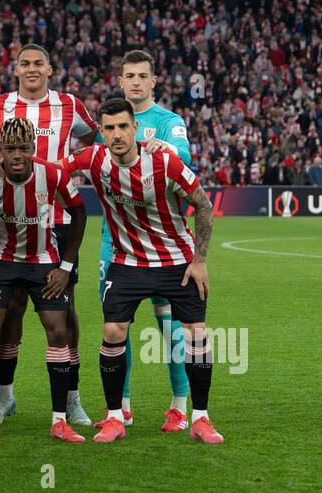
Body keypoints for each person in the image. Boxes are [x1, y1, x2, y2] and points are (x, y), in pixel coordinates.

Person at [64, 97, 223, 445]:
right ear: (101, 132)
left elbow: (202, 204)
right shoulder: (94, 158)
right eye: (109, 128)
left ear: (136, 128)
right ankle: (115, 417)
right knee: (113, 330)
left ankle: (200, 418)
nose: (117, 134)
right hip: (128, 262)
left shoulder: (164, 162)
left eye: (123, 126)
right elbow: (54, 169)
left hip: (177, 261)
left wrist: (199, 261)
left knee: (195, 334)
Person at [0, 117, 88, 443]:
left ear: (33, 148)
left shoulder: (52, 174)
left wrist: (66, 267)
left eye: (23, 148)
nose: (17, 155)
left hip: (42, 260)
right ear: (1, 150)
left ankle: (59, 421)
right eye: (10, 149)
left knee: (59, 329)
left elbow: (79, 214)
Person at [0, 44, 96, 425]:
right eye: (24, 64)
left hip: (56, 218)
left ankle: (72, 398)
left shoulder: (70, 105)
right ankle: (4, 395)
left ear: (50, 69)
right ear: (15, 70)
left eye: (38, 63)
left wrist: (68, 167)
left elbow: (94, 140)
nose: (31, 69)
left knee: (65, 306)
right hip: (7, 219)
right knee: (9, 304)